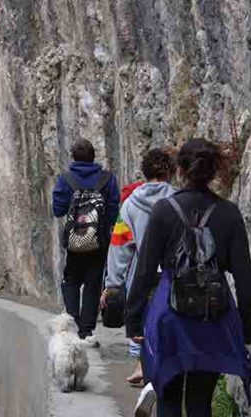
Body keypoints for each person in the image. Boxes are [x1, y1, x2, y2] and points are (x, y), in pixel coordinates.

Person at [125, 139, 251, 417]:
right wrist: (246, 325)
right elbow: (244, 276)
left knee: (169, 397)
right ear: (214, 170)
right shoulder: (229, 214)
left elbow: (145, 268)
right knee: (200, 401)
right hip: (214, 317)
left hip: (170, 316)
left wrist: (133, 318)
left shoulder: (163, 210)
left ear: (180, 170)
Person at [102, 148, 176, 386]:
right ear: (171, 172)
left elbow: (120, 247)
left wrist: (113, 284)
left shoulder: (130, 205)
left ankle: (145, 369)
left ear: (144, 172)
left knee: (142, 324)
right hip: (172, 275)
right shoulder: (177, 200)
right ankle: (163, 372)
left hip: (140, 276)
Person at [52, 138, 120, 343]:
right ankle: (87, 331)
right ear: (93, 157)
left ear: (73, 157)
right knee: (93, 282)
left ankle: (72, 323)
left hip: (74, 242)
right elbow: (114, 209)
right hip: (99, 241)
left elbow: (58, 210)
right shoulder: (107, 179)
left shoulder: (66, 179)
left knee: (71, 280)